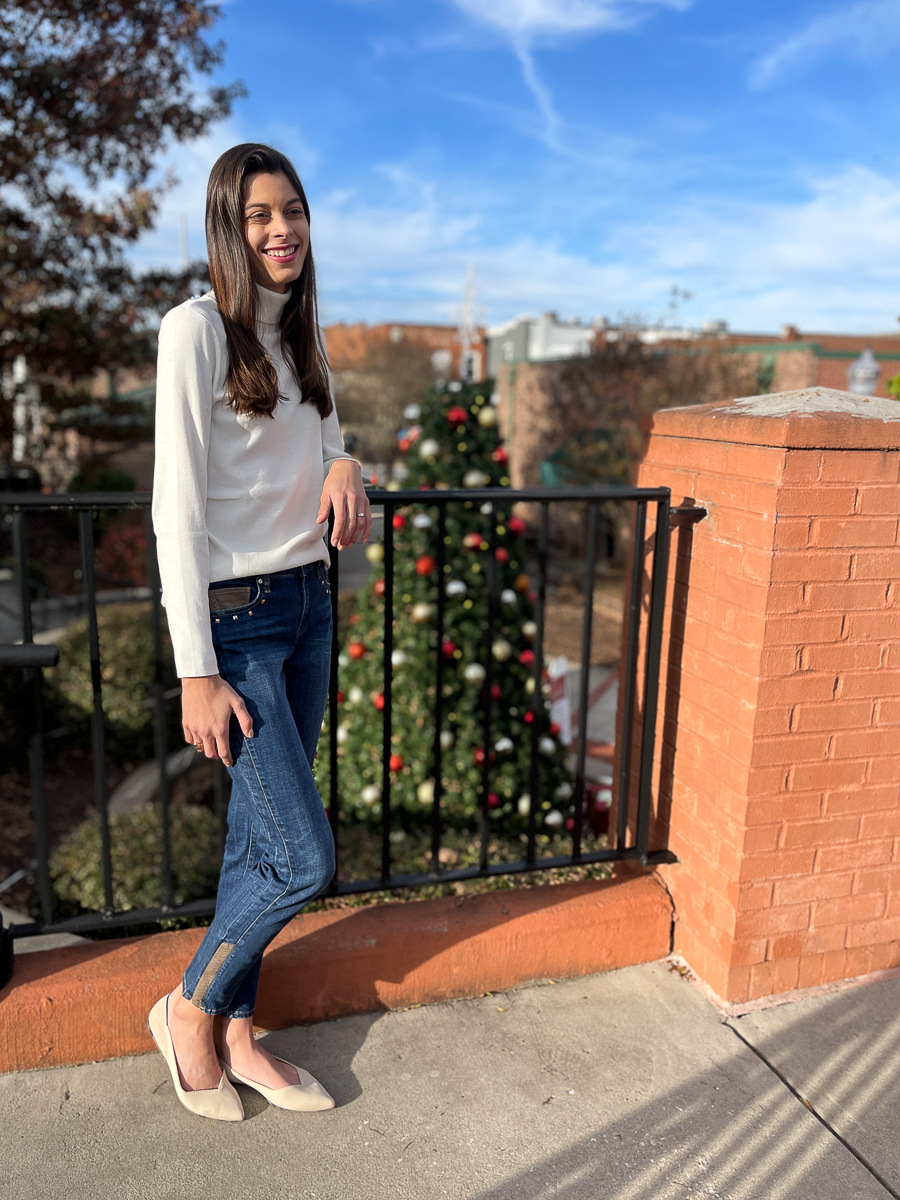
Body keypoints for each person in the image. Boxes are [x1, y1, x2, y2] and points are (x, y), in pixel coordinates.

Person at [149, 143, 370, 1121]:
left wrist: (346, 463)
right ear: (228, 230)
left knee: (257, 841)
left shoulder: (303, 341)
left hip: (308, 606)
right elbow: (173, 510)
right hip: (238, 629)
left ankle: (239, 1031)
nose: (282, 230)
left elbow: (325, 441)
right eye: (258, 216)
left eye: (293, 211)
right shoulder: (194, 331)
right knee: (302, 856)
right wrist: (195, 670)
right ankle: (191, 1008)